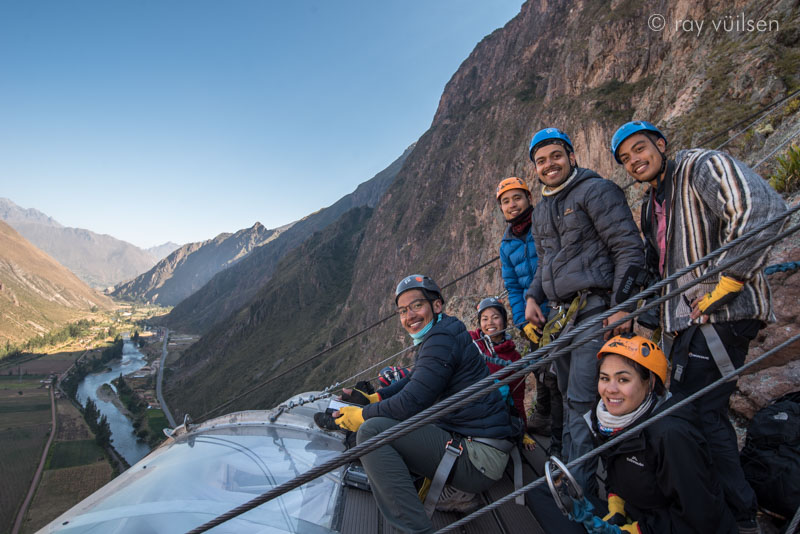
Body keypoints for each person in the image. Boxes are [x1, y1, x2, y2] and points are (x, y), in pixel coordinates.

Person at [611, 120, 788, 532]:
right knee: (698, 413)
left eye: (639, 148)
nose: (634, 160)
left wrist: (730, 279)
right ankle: (724, 507)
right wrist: (637, 315)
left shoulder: (697, 166)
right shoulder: (651, 204)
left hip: (722, 316)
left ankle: (738, 516)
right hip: (689, 321)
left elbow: (760, 208)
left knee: (699, 415)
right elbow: (660, 271)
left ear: (660, 143)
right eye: (625, 159)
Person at [333, 275, 518, 533]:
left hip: (479, 458)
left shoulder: (441, 340)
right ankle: (443, 489)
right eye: (402, 311)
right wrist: (376, 398)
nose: (409, 316)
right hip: (477, 441)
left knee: (371, 432)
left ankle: (417, 529)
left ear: (437, 305)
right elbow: (417, 379)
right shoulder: (443, 332)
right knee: (382, 421)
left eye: (417, 305)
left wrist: (362, 415)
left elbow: (412, 401)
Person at [523, 127, 645, 499]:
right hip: (562, 315)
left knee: (581, 397)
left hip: (595, 308)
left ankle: (578, 488)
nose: (549, 165)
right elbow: (545, 262)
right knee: (567, 394)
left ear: (571, 157)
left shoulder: (596, 191)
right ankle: (575, 471)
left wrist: (622, 307)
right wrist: (532, 297)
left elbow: (629, 248)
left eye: (556, 156)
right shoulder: (542, 211)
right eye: (541, 161)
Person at [529, 333, 737, 533]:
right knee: (542, 493)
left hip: (668, 526)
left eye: (623, 380)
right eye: (604, 378)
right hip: (635, 513)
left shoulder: (671, 435)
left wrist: (635, 531)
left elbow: (700, 517)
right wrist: (616, 506)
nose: (610, 389)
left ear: (650, 383)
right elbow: (617, 474)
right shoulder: (608, 420)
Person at [496, 177, 563, 455]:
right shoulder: (506, 245)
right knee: (541, 371)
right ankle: (547, 420)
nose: (512, 205)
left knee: (558, 375)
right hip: (533, 318)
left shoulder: (544, 223)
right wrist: (522, 322)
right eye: (506, 201)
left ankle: (561, 439)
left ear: (529, 199)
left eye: (517, 198)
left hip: (559, 308)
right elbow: (512, 286)